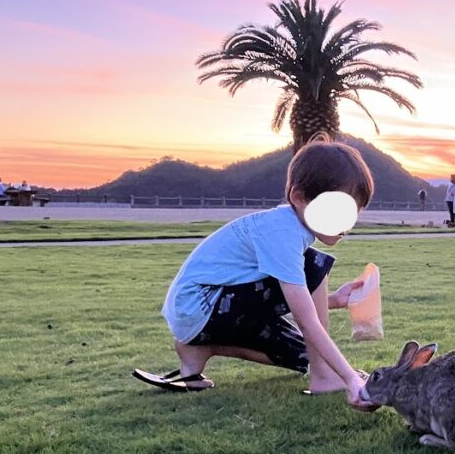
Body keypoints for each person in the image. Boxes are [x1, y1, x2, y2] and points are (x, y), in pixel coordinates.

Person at [132, 139, 374, 405]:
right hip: (202, 303)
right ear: (298, 197)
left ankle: (200, 348)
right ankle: (324, 378)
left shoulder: (287, 227)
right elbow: (306, 320)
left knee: (304, 354)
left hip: (203, 311)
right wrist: (351, 378)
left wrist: (334, 301)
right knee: (313, 265)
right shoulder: (283, 234)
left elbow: (294, 303)